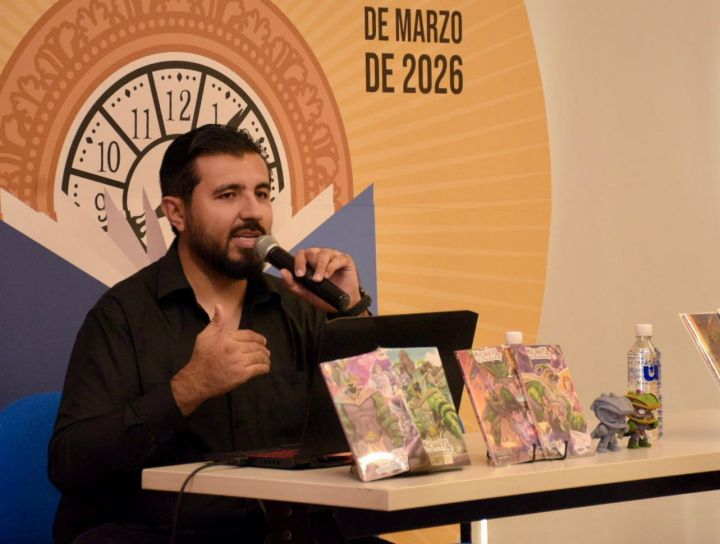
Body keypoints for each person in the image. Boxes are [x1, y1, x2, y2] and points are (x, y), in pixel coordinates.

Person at [48, 125, 375, 543]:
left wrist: (351, 311)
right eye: (228, 195)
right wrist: (189, 388)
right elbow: (70, 463)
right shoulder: (122, 316)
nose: (253, 212)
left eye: (261, 193)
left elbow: (393, 435)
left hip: (286, 532)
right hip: (163, 533)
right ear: (176, 213)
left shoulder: (302, 307)